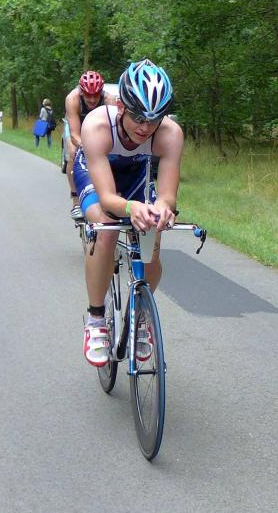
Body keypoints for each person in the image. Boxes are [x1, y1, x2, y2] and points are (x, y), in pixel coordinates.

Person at [73, 59, 180, 367]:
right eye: (138, 117)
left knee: (151, 235)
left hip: (135, 174)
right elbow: (108, 198)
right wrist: (132, 208)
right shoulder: (97, 125)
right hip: (96, 174)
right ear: (121, 106)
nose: (145, 127)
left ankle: (141, 315)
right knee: (106, 228)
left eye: (154, 119)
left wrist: (162, 210)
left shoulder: (170, 133)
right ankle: (96, 319)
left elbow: (167, 195)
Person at [64, 70, 116, 220]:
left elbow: (113, 131)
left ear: (101, 92)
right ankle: (76, 201)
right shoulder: (72, 99)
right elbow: (74, 134)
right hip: (77, 129)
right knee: (73, 153)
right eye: (88, 95)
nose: (92, 99)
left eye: (96, 95)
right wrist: (88, 148)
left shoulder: (109, 100)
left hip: (99, 129)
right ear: (81, 92)